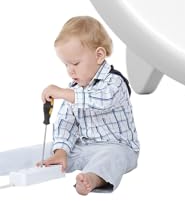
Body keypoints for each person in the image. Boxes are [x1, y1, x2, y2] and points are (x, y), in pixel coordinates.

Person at [36, 16, 140, 195]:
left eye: (75, 63)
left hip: (118, 147)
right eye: (66, 65)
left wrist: (63, 93)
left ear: (99, 55)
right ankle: (36, 162)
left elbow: (100, 101)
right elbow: (66, 123)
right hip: (84, 147)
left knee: (112, 158)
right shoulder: (74, 90)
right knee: (51, 149)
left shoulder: (115, 83)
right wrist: (61, 150)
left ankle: (92, 178)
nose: (70, 70)